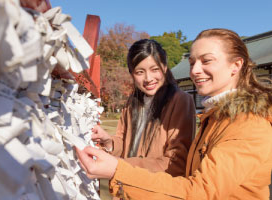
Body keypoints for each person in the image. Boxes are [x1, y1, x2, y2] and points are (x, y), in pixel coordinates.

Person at [77, 29, 272, 199]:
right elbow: (124, 141)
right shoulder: (214, 115)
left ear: (236, 65)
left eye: (207, 61)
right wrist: (110, 143)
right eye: (192, 62)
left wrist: (118, 169)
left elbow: (192, 182)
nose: (195, 71)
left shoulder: (247, 123)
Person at [92, 39, 196, 177]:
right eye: (140, 72)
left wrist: (120, 165)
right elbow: (125, 144)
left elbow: (176, 163)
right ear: (132, 74)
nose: (148, 78)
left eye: (155, 70)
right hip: (126, 188)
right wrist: (108, 141)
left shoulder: (180, 100)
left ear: (164, 68)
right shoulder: (132, 102)